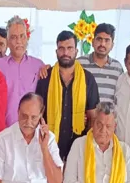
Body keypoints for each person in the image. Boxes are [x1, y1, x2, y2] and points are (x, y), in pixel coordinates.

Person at [35, 30, 100, 160]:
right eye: (61, 48)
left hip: (78, 145)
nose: (65, 53)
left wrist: (88, 144)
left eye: (70, 48)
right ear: (56, 52)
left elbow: (93, 116)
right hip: (49, 144)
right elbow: (38, 113)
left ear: (76, 51)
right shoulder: (45, 78)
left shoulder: (88, 79)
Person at [0, 16, 45, 127]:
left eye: (22, 36)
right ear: (7, 41)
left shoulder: (39, 65)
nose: (19, 41)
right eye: (14, 37)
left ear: (27, 39)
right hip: (4, 130)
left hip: (32, 129)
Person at [74, 23, 125, 105]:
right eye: (99, 39)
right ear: (93, 42)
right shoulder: (79, 63)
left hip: (109, 113)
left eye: (107, 40)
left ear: (112, 45)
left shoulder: (117, 68)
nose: (102, 44)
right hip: (82, 112)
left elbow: (120, 97)